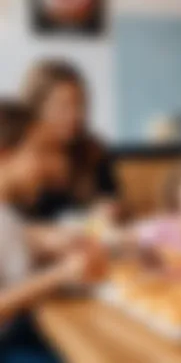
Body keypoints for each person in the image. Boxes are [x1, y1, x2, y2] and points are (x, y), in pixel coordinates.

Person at [0, 100, 104, 362]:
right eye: (40, 152)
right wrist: (61, 274)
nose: (50, 167)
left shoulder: (9, 216)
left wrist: (49, 248)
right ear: (4, 155)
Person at [21, 59, 117, 221]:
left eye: (80, 105)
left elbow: (113, 200)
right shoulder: (18, 157)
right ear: (36, 109)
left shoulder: (93, 151)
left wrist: (114, 209)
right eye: (63, 106)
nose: (75, 115)